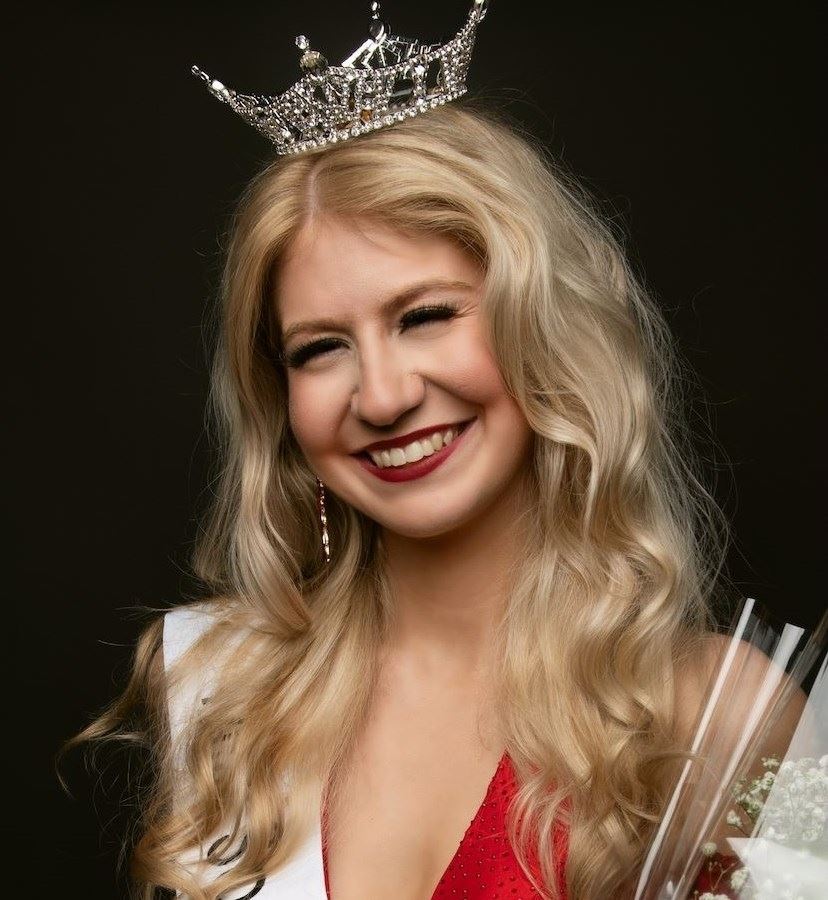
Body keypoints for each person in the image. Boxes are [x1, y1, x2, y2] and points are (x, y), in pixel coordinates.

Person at [67, 3, 789, 899]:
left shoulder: (718, 714)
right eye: (321, 348)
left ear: (542, 324)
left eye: (426, 316)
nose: (383, 394)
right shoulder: (225, 695)